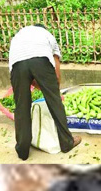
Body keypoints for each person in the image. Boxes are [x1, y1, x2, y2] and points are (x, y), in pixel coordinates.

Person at [8, 24, 82, 161]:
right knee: (55, 101)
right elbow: (56, 64)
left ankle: (22, 150)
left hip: (17, 65)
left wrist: (36, 84)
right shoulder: (47, 35)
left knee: (21, 106)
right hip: (41, 60)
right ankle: (66, 143)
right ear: (43, 28)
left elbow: (23, 68)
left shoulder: (17, 37)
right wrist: (53, 88)